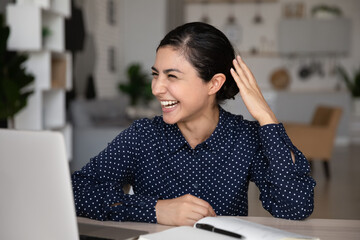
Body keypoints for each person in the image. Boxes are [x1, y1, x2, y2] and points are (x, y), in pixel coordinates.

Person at [71, 22, 316, 226]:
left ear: (214, 83)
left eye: (172, 76)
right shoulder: (143, 136)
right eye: (156, 74)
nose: (156, 88)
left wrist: (266, 116)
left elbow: (295, 207)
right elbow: (74, 191)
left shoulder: (244, 138)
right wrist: (155, 210)